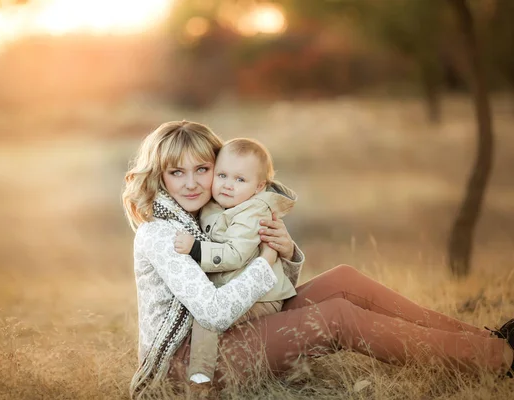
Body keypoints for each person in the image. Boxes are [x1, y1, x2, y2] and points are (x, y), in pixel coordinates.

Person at [122, 120, 514, 399]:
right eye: (177, 173)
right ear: (159, 177)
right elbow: (214, 312)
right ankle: (500, 359)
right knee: (338, 317)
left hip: (237, 328)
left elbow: (256, 285)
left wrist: (286, 252)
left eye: (203, 169)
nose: (191, 182)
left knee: (343, 280)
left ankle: (486, 339)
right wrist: (265, 259)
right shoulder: (160, 234)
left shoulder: (213, 213)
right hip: (186, 368)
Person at [173, 138, 298, 384]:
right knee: (212, 315)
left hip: (263, 296)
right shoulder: (216, 204)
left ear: (259, 187)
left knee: (207, 318)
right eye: (222, 175)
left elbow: (235, 254)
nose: (228, 185)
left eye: (240, 180)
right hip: (238, 289)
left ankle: (201, 377)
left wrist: (196, 249)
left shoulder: (253, 212)